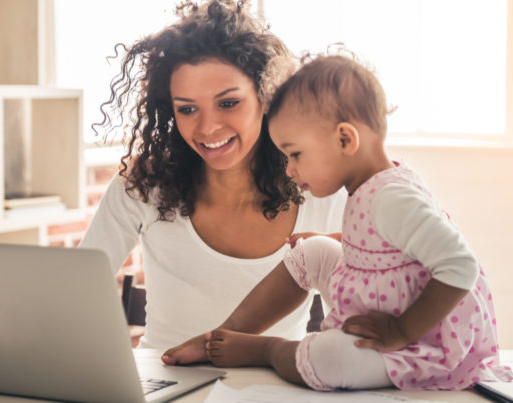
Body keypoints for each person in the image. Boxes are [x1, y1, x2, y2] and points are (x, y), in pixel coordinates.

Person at [163, 53, 513, 390]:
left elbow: (460, 266)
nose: (289, 169)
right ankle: (225, 335)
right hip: (385, 297)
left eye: (295, 154)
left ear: (345, 139)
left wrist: (401, 330)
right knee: (314, 249)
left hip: (422, 338)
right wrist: (339, 239)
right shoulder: (372, 186)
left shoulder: (392, 198)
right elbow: (393, 248)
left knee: (329, 358)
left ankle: (266, 349)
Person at [79, 0, 346, 350]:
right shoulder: (143, 185)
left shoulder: (322, 191)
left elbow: (353, 329)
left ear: (266, 96)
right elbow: (73, 292)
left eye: (228, 103)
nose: (207, 128)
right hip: (162, 388)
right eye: (187, 109)